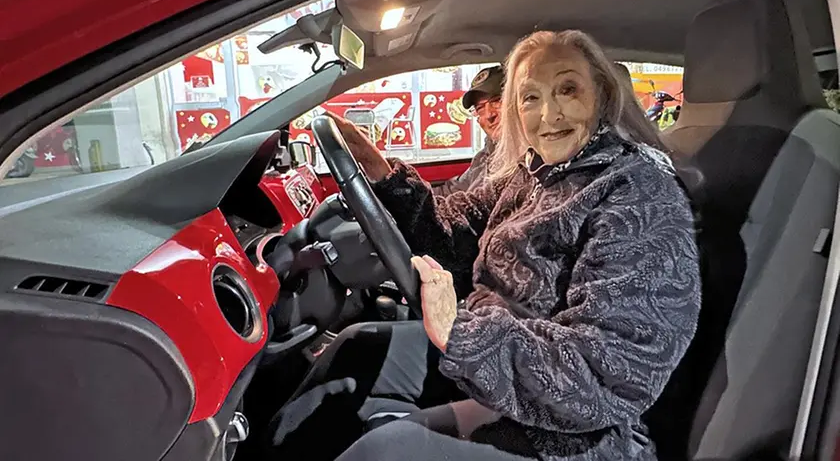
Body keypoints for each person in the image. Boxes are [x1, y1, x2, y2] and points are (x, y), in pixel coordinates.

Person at [265, 29, 700, 461]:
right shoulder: (537, 173)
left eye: (567, 89)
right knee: (357, 347)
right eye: (531, 97)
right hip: (502, 365)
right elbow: (454, 234)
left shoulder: (638, 195)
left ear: (602, 95)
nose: (548, 114)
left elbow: (608, 375)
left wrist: (461, 332)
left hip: (581, 434)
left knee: (384, 451)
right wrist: (383, 175)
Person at [432, 65, 503, 195]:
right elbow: (453, 191)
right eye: (480, 108)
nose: (489, 115)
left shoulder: (530, 164)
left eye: (497, 101)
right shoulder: (484, 158)